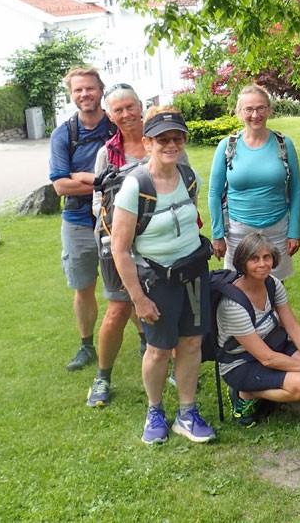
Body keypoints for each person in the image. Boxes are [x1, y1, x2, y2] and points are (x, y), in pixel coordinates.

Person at [111, 107, 216, 445]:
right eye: (162, 139)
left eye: (177, 138)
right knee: (158, 348)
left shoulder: (188, 177)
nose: (171, 144)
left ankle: (187, 413)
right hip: (156, 282)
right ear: (147, 143)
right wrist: (138, 299)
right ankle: (155, 411)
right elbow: (120, 249)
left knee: (191, 342)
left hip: (193, 274)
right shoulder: (135, 186)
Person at [85, 83, 188, 408]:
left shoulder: (166, 139)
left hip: (162, 244)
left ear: (140, 106)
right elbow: (99, 198)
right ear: (110, 115)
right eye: (118, 109)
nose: (126, 114)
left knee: (169, 305)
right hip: (120, 241)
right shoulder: (107, 152)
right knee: (119, 309)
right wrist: (119, 232)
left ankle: (169, 364)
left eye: (131, 106)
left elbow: (184, 188)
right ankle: (103, 376)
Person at [213, 232, 300, 426]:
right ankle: (244, 393)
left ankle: (270, 387)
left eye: (266, 257)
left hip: (273, 347)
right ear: (243, 263)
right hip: (242, 363)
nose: (262, 264)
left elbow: (291, 325)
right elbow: (267, 358)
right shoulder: (233, 305)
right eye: (254, 259)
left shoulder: (272, 284)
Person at [48, 66, 116, 372]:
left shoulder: (117, 127)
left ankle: (147, 342)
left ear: (101, 90)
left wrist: (86, 178)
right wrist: (104, 182)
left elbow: (130, 174)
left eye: (89, 88)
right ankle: (86, 345)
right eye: (78, 90)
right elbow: (61, 185)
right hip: (77, 219)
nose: (84, 94)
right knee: (83, 285)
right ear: (71, 94)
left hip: (116, 217)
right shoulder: (64, 134)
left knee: (131, 281)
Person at [208, 85, 300, 280]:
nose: (255, 115)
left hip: (277, 230)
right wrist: (218, 235)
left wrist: (294, 231)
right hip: (237, 231)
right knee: (237, 288)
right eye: (248, 109)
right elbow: (214, 193)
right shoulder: (227, 146)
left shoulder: (284, 144)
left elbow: (296, 191)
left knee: (275, 287)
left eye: (260, 108)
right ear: (239, 112)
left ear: (269, 109)